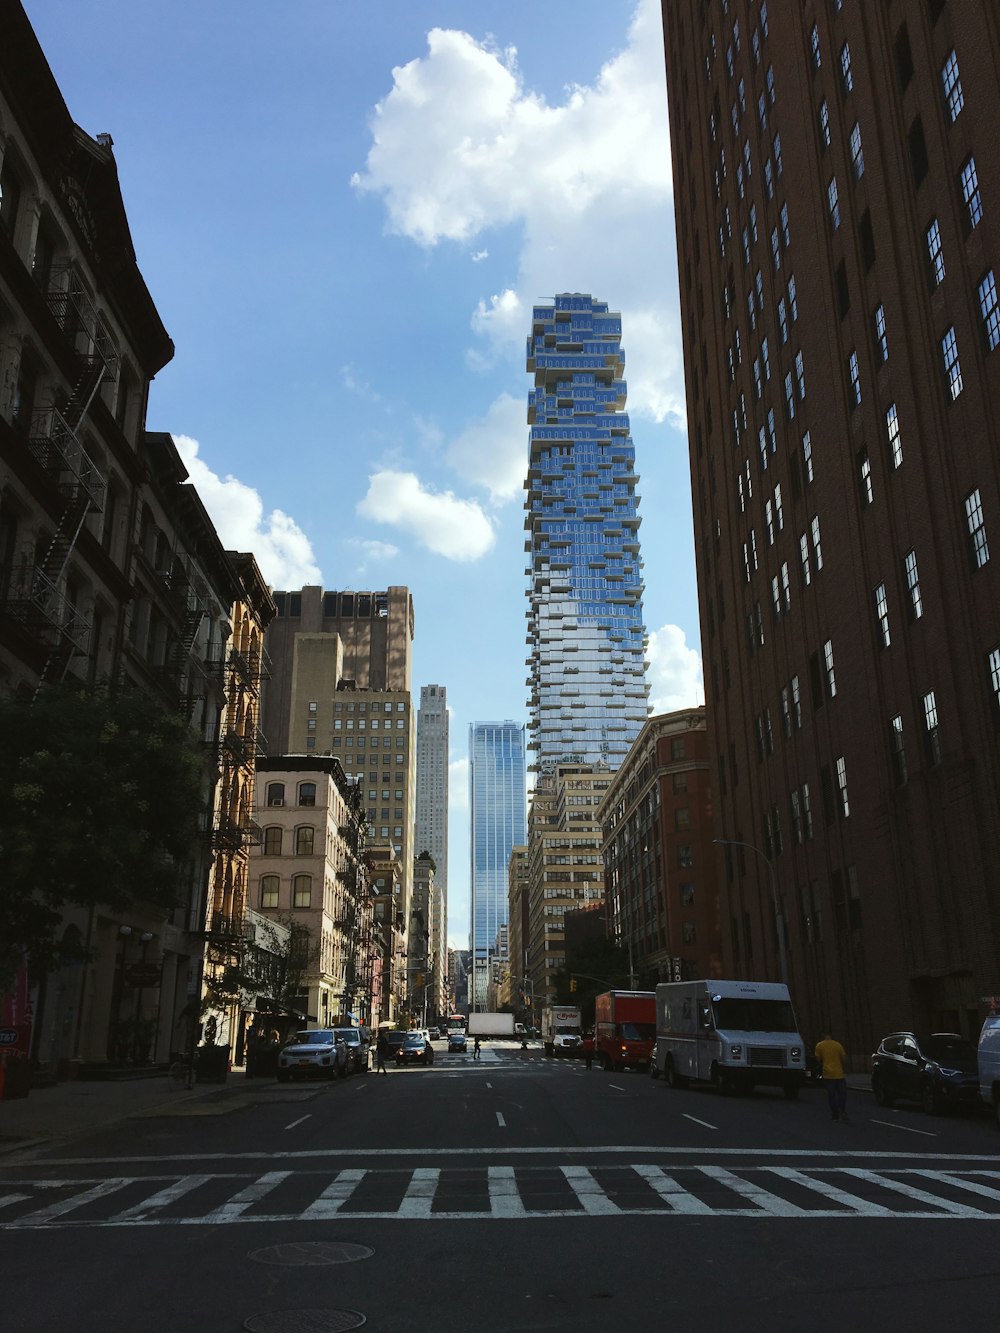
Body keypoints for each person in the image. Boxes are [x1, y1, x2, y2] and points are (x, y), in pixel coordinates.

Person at [815, 1032, 848, 1121]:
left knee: (831, 1095)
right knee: (842, 1094)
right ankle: (842, 1110)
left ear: (823, 1037)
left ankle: (835, 1115)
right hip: (839, 1074)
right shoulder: (838, 1045)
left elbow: (818, 1059)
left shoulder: (819, 1045)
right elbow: (844, 1058)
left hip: (827, 1074)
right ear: (831, 1036)